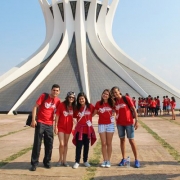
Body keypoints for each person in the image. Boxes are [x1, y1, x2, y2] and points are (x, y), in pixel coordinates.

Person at [30, 84, 61, 171]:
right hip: (40, 122)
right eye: (54, 90)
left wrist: (56, 126)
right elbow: (35, 107)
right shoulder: (44, 96)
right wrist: (33, 119)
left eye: (57, 90)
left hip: (49, 124)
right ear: (51, 90)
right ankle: (34, 163)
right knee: (37, 144)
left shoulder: (58, 101)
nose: (55, 92)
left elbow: (58, 114)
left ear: (59, 92)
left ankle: (47, 162)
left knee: (49, 144)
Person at [111, 86, 140, 168]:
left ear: (119, 91)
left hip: (129, 123)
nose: (115, 94)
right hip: (120, 123)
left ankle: (136, 159)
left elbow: (134, 109)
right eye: (113, 93)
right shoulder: (114, 102)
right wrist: (113, 114)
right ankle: (124, 159)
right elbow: (114, 111)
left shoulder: (126, 98)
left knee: (131, 140)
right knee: (122, 140)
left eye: (116, 92)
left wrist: (137, 121)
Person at [72, 92, 96, 169]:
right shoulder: (76, 108)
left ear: (85, 99)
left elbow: (95, 111)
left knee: (86, 146)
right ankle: (77, 161)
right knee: (79, 146)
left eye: (82, 98)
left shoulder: (90, 106)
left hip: (88, 129)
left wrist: (90, 118)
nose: (81, 100)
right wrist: (76, 124)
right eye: (79, 99)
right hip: (80, 130)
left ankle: (85, 161)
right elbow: (73, 116)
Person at [93, 89, 115, 168]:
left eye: (107, 94)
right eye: (104, 93)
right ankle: (104, 160)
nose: (105, 95)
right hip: (101, 124)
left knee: (109, 143)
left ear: (109, 96)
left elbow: (115, 112)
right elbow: (94, 113)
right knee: (103, 143)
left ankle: (108, 160)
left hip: (110, 125)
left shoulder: (112, 103)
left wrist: (114, 115)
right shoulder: (98, 103)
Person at [54, 91, 76, 167]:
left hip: (68, 127)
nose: (71, 98)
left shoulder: (74, 107)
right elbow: (57, 116)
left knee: (66, 144)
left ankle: (64, 160)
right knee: (62, 144)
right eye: (70, 97)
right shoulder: (61, 105)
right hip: (61, 127)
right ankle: (60, 159)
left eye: (72, 97)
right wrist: (55, 126)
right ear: (67, 97)